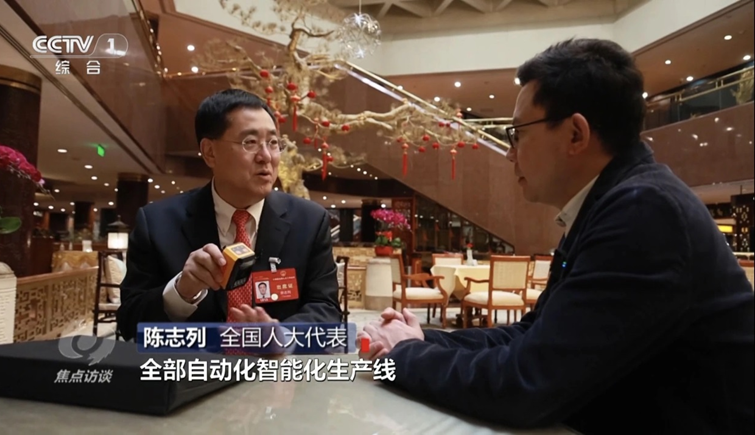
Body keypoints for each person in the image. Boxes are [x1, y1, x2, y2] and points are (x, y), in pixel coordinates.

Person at [358, 38, 754, 434]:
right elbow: (532, 335)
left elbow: (527, 384)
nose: (510, 153)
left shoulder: (645, 211)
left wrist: (403, 355)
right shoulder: (612, 203)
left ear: (576, 134)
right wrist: (423, 339)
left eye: (518, 134)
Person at [117, 89, 341, 341]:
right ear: (210, 152)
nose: (266, 156)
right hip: (191, 364)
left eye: (273, 143)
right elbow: (129, 323)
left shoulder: (309, 221)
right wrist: (181, 291)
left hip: (277, 366)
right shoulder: (157, 223)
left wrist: (281, 337)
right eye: (250, 142)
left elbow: (326, 309)